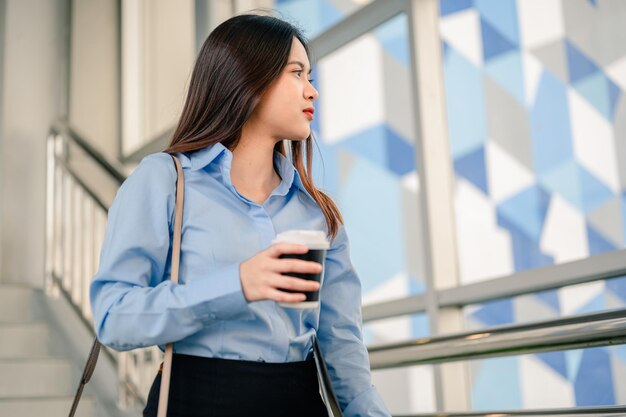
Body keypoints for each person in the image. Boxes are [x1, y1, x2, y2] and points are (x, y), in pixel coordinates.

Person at [90, 12, 390, 417]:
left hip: (298, 402)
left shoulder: (315, 213)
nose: (312, 91)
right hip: (195, 402)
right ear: (249, 79)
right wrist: (238, 284)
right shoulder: (164, 181)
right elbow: (114, 317)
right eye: (297, 73)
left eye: (311, 77)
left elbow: (342, 345)